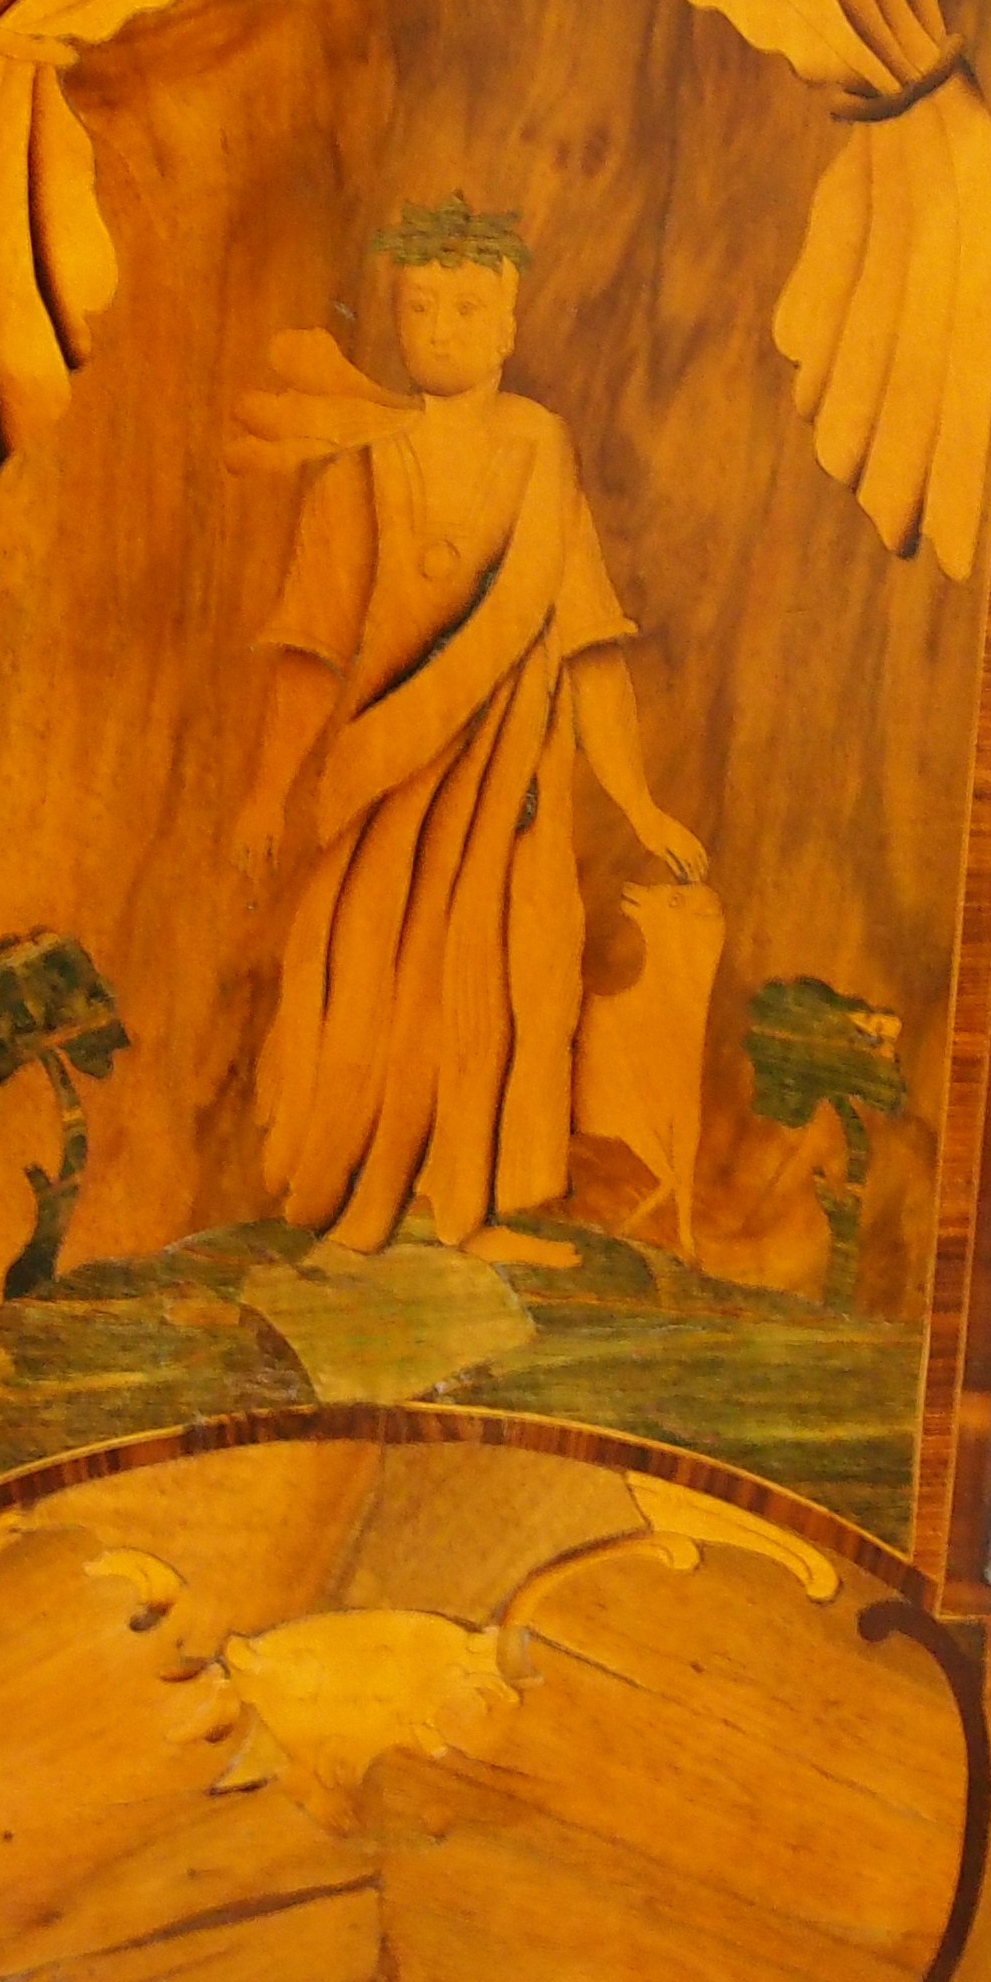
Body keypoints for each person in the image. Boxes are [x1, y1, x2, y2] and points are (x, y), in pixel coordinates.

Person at [230, 196, 706, 1257]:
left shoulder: (540, 449)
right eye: (420, 308)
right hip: (385, 784)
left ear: (507, 325)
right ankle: (357, 1204)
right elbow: (309, 645)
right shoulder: (361, 461)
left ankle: (472, 1211)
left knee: (503, 987)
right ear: (393, 319)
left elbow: (586, 643)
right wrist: (267, 792)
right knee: (373, 987)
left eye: (466, 310)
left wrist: (638, 802)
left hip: (511, 803)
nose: (441, 330)